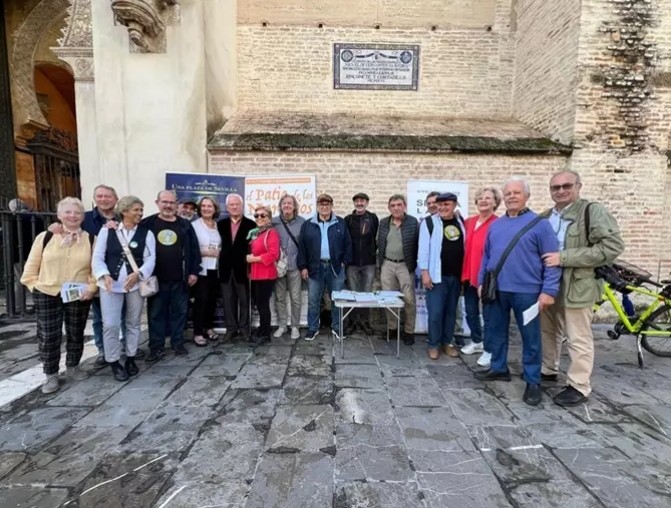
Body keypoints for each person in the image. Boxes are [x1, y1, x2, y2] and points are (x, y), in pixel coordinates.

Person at [475, 177, 561, 407]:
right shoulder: (496, 225)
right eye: (508, 193)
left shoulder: (540, 225)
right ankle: (499, 367)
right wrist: (481, 281)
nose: (512, 196)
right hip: (497, 290)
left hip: (528, 292)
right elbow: (486, 256)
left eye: (517, 192)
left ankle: (533, 381)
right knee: (495, 331)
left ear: (526, 196)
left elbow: (551, 261)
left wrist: (549, 291)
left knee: (531, 338)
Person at [540, 170, 624, 406]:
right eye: (555, 187)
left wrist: (564, 257)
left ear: (578, 186)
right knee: (548, 330)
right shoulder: (545, 216)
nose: (561, 191)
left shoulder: (591, 212)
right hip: (550, 284)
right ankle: (548, 369)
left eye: (566, 186)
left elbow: (612, 247)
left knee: (578, 337)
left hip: (578, 286)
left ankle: (579, 385)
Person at [20, 197, 97, 394]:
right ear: (59, 215)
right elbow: (30, 268)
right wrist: (35, 286)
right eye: (68, 212)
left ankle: (72, 366)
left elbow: (95, 268)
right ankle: (51, 373)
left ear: (82, 216)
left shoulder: (90, 239)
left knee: (75, 331)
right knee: (48, 334)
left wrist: (92, 287)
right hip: (47, 292)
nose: (73, 216)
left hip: (76, 293)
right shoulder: (45, 237)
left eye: (77, 213)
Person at [92, 196, 156, 381]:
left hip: (135, 285)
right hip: (111, 286)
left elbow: (150, 258)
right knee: (110, 324)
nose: (140, 213)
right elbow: (98, 257)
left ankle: (130, 357)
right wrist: (103, 275)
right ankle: (113, 361)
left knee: (133, 322)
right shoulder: (107, 231)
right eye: (136, 210)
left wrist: (139, 274)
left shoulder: (146, 233)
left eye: (141, 210)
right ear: (124, 211)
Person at [143, 190, 201, 362]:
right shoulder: (147, 223)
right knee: (156, 314)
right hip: (156, 278)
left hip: (180, 278)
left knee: (180, 312)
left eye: (171, 202)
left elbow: (194, 249)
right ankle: (156, 346)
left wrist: (193, 271)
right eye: (164, 202)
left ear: (176, 205)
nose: (168, 206)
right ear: (157, 202)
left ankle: (177, 342)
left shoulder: (184, 225)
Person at [81, 185, 132, 365]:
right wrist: (56, 226)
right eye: (99, 196)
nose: (103, 199)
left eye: (107, 196)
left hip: (122, 275)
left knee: (127, 314)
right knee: (100, 315)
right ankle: (104, 350)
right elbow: (66, 225)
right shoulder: (85, 218)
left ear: (116, 199)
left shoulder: (125, 217)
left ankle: (128, 346)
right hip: (95, 274)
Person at [298, 193, 352, 341]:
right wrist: (303, 266)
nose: (324, 206)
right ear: (317, 206)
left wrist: (344, 262)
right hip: (315, 267)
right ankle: (313, 328)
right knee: (314, 299)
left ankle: (337, 327)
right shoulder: (308, 224)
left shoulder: (340, 223)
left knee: (337, 299)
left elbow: (348, 245)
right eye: (321, 204)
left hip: (335, 267)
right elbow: (302, 248)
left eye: (327, 204)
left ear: (331, 205)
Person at [419, 192, 467, 360]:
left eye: (447, 204)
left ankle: (447, 342)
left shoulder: (461, 222)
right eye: (440, 205)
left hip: (456, 276)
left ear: (454, 205)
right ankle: (433, 344)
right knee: (436, 312)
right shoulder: (429, 222)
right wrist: (424, 272)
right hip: (436, 276)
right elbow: (423, 249)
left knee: (451, 312)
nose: (442, 208)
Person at [461, 187, 501, 366]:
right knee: (470, 312)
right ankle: (477, 341)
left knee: (489, 315)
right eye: (480, 198)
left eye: (488, 198)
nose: (483, 201)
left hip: (487, 278)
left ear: (495, 202)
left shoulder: (498, 223)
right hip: (469, 275)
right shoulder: (469, 222)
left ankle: (489, 349)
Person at [377, 194, 419, 345]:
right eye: (393, 205)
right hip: (387, 264)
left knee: (409, 299)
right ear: (389, 208)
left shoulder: (413, 223)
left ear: (404, 206)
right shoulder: (383, 223)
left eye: (399, 205)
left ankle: (409, 331)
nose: (396, 208)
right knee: (389, 299)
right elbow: (379, 244)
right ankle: (392, 328)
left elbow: (418, 244)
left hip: (405, 265)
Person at [218, 193, 256, 341]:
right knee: (228, 300)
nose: (234, 207)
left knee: (245, 300)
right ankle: (231, 329)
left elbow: (253, 248)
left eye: (237, 204)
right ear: (227, 207)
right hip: (226, 269)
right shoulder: (220, 225)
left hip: (243, 269)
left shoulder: (251, 224)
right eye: (231, 205)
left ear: (242, 206)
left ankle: (245, 329)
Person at [344, 192, 379, 335]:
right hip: (352, 263)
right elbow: (345, 240)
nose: (359, 203)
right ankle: (352, 322)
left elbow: (375, 237)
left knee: (366, 293)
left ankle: (364, 321)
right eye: (357, 201)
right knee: (353, 293)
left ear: (367, 202)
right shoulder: (348, 219)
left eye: (362, 201)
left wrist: (372, 253)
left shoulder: (372, 218)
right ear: (354, 203)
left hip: (368, 263)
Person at [272, 195, 305, 340]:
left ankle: (295, 327)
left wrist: (304, 266)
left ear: (294, 206)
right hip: (278, 267)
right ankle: (282, 325)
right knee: (279, 298)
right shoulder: (273, 222)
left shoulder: (303, 223)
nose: (286, 205)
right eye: (284, 203)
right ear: (280, 206)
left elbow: (305, 247)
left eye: (289, 203)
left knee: (296, 298)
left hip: (295, 266)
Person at [190, 196, 222, 347]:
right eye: (203, 206)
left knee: (211, 300)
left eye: (210, 206)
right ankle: (197, 332)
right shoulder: (195, 225)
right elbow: (191, 248)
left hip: (215, 269)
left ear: (215, 209)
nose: (206, 209)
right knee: (200, 301)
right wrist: (207, 252)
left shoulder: (217, 226)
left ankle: (208, 327)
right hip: (201, 269)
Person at [247, 205, 281, 343]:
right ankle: (262, 329)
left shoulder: (271, 233)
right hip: (255, 274)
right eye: (256, 215)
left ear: (269, 218)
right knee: (259, 303)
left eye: (263, 215)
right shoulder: (256, 233)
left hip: (266, 274)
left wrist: (253, 259)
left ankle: (265, 333)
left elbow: (273, 254)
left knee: (263, 304)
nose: (259, 218)